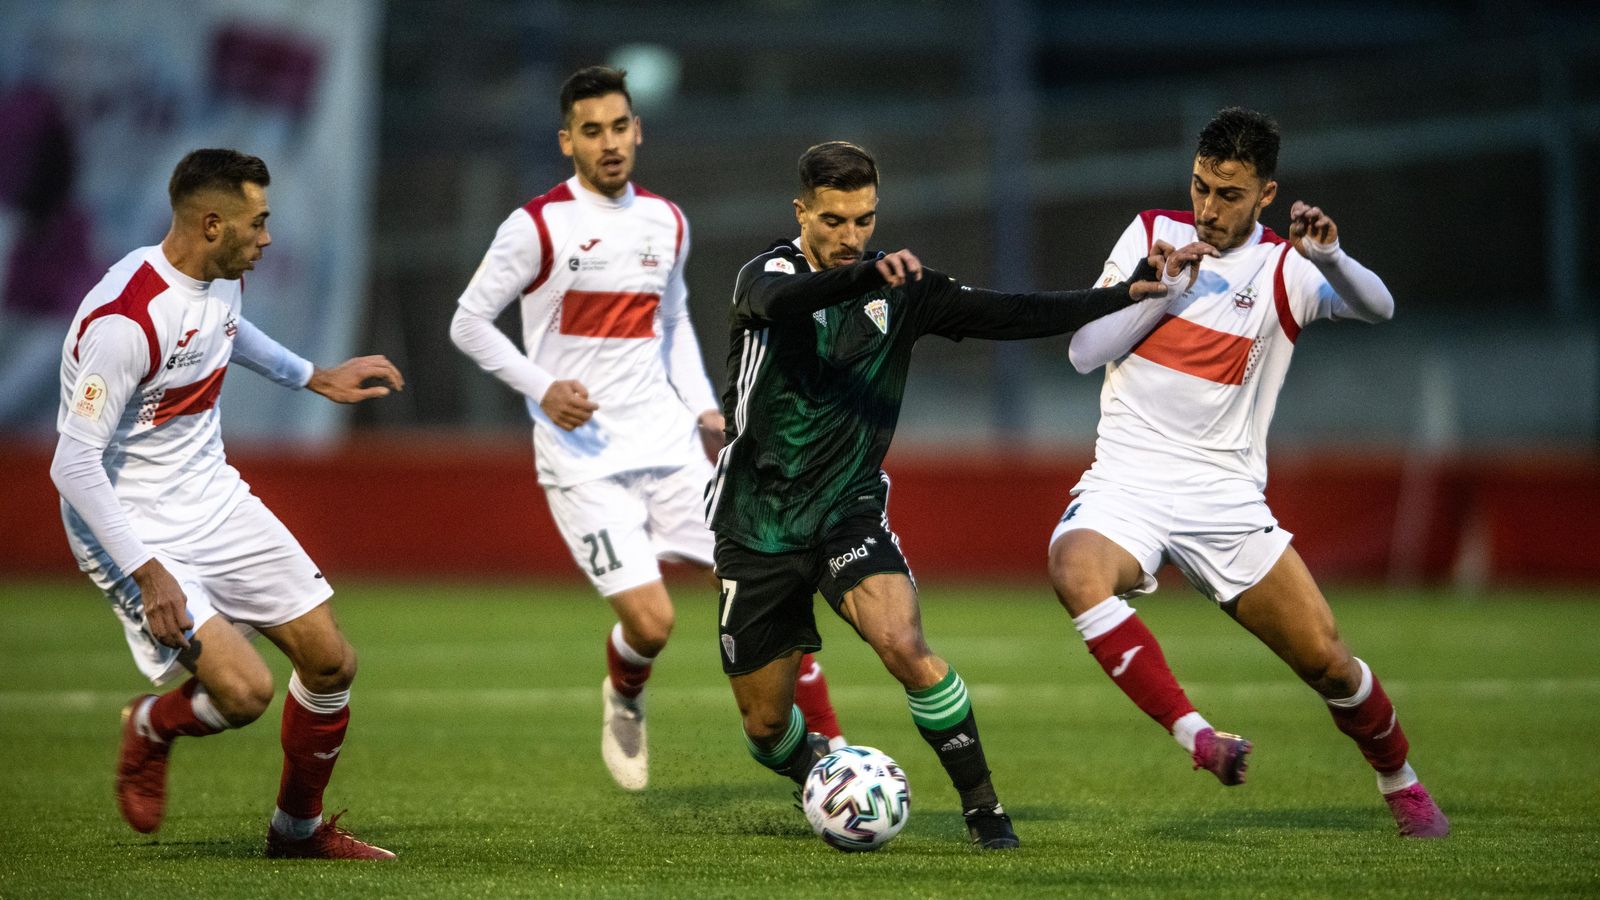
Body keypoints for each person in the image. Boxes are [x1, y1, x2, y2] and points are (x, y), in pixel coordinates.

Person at [707, 140, 1184, 849]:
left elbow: (1014, 312)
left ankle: (985, 810)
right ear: (801, 211)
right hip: (757, 523)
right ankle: (827, 776)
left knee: (902, 641)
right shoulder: (765, 275)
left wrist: (1120, 295)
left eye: (863, 220)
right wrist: (864, 274)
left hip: (847, 510)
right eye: (833, 220)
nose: (849, 237)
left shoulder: (904, 287)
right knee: (766, 727)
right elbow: (786, 301)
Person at [1049, 107, 1449, 838]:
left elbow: (1379, 307)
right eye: (1200, 186)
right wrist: (1159, 291)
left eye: (1228, 194)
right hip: (1128, 479)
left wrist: (1330, 258)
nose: (1207, 207)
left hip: (1223, 497)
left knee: (1330, 664)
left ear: (1266, 194)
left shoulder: (1286, 268)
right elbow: (1082, 352)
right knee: (1074, 568)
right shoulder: (1150, 235)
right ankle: (1199, 737)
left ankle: (1402, 781)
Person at [449, 66, 847, 792]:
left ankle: (830, 756)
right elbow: (468, 321)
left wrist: (702, 409)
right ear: (567, 141)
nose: (610, 143)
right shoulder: (536, 226)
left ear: (639, 130)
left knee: (769, 584)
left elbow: (669, 325)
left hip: (665, 444)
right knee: (654, 623)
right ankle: (625, 695)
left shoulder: (666, 221)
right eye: (592, 131)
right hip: (582, 459)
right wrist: (542, 388)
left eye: (620, 127)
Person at [49, 149, 404, 858]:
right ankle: (152, 725)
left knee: (331, 662)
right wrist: (149, 572)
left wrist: (313, 377)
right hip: (129, 524)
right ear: (212, 224)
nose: (268, 237)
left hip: (211, 497)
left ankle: (296, 832)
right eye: (258, 222)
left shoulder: (221, 275)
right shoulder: (125, 321)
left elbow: (228, 334)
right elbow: (72, 463)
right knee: (244, 694)